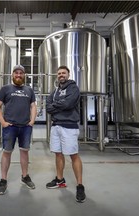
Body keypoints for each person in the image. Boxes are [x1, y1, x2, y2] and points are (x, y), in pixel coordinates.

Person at [45, 65, 86, 203]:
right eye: (59, 73)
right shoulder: (55, 90)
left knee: (73, 155)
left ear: (68, 75)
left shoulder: (73, 88)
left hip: (69, 126)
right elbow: (48, 106)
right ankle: (59, 180)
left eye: (63, 73)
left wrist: (55, 105)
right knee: (58, 153)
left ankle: (80, 185)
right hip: (56, 126)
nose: (61, 75)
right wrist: (57, 105)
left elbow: (68, 104)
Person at [0, 64, 37, 195]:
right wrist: (2, 122)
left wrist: (32, 121)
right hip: (10, 127)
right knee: (7, 152)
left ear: (24, 75)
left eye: (21, 73)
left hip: (25, 127)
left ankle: (25, 176)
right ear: (12, 75)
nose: (18, 75)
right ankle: (3, 180)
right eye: (16, 73)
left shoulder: (29, 90)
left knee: (24, 152)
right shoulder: (5, 89)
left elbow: (33, 106)